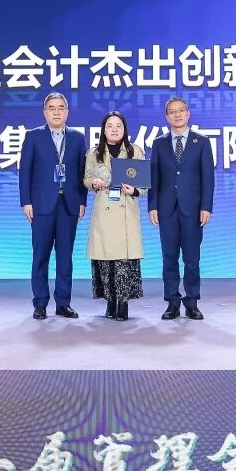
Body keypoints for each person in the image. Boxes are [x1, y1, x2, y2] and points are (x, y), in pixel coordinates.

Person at [19, 92, 88, 320]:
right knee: (40, 255)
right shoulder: (33, 136)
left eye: (60, 108)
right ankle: (40, 303)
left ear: (67, 112)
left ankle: (63, 303)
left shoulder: (77, 138)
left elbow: (82, 173)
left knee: (65, 256)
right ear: (44, 112)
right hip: (41, 205)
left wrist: (82, 201)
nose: (56, 112)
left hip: (69, 204)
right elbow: (25, 172)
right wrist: (26, 201)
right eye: (52, 108)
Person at [148, 95, 214, 321]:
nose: (177, 115)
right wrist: (152, 206)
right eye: (172, 112)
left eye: (181, 110)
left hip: (193, 210)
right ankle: (172, 303)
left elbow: (208, 178)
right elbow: (154, 177)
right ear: (167, 117)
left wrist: (206, 206)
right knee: (169, 257)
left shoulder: (201, 142)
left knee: (192, 258)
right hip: (166, 209)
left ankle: (192, 302)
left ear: (188, 113)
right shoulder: (159, 143)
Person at [83, 111, 145, 321]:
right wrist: (93, 183)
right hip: (104, 211)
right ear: (103, 130)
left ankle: (123, 303)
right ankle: (110, 301)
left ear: (125, 129)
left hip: (126, 210)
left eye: (119, 125)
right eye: (110, 126)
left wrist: (134, 190)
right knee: (106, 261)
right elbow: (86, 178)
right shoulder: (94, 153)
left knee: (123, 261)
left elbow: (144, 183)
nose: (114, 129)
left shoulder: (134, 151)